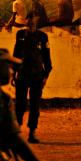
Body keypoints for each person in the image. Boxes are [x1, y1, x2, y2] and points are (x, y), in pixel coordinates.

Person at [13, 13, 52, 144]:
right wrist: (14, 73)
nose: (31, 24)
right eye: (29, 21)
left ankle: (32, 132)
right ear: (25, 22)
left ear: (36, 23)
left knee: (34, 105)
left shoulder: (42, 36)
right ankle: (17, 131)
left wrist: (46, 75)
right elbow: (16, 54)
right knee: (20, 103)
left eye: (33, 21)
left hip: (37, 75)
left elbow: (47, 57)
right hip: (23, 74)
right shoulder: (20, 35)